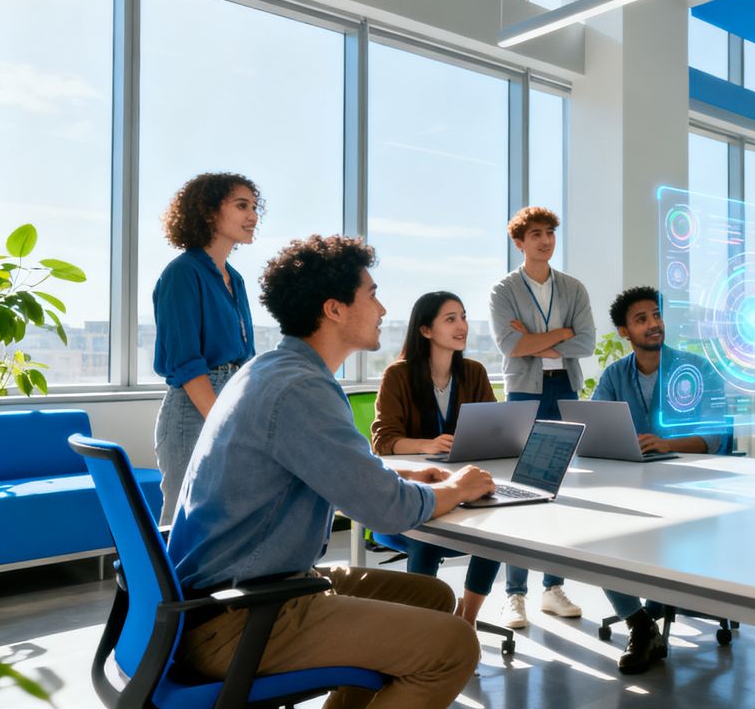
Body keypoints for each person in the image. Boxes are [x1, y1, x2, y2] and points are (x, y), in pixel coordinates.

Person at [167, 235, 496, 709]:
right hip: (240, 614)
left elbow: (333, 475)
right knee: (454, 646)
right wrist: (458, 487)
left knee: (430, 596)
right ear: (335, 309)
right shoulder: (301, 389)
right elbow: (387, 510)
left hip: (234, 591)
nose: (383, 309)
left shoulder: (271, 370)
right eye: (372, 295)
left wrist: (400, 477)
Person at [591, 286, 731, 674]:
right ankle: (640, 624)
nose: (653, 324)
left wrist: (666, 442)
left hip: (692, 486)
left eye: (656, 315)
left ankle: (651, 610)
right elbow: (595, 426)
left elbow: (715, 436)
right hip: (635, 482)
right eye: (641, 319)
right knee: (594, 538)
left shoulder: (697, 368)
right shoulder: (615, 375)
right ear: (624, 331)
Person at [370, 291, 503, 627]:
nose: (462, 326)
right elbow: (383, 442)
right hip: (415, 492)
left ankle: (466, 622)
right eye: (450, 319)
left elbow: (495, 433)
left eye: (463, 316)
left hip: (464, 489)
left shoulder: (474, 373)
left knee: (495, 537)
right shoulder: (398, 375)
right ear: (426, 330)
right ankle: (424, 629)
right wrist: (427, 444)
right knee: (428, 540)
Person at [488, 206, 594, 628]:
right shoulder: (504, 290)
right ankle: (515, 594)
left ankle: (553, 587)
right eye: (535, 234)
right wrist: (559, 335)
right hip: (524, 392)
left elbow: (585, 342)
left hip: (565, 388)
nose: (545, 240)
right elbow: (511, 346)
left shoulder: (572, 288)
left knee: (561, 491)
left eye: (550, 233)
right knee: (521, 490)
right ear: (519, 242)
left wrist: (542, 340)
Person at [152, 172, 260, 524]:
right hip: (193, 405)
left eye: (255, 208)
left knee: (222, 513)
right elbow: (186, 362)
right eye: (242, 206)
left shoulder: (235, 278)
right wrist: (221, 419)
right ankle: (160, 581)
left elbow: (246, 356)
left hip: (228, 397)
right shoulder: (183, 273)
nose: (253, 216)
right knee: (183, 516)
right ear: (210, 212)